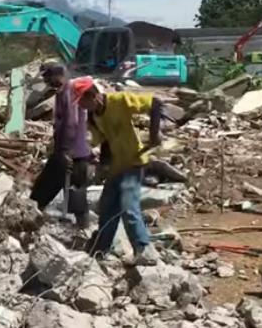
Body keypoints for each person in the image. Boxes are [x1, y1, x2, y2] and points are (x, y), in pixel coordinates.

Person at [74, 78, 163, 263]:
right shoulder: (93, 117)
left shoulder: (120, 101)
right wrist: (100, 165)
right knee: (107, 207)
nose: (82, 106)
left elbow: (155, 103)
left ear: (94, 95)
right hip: (117, 166)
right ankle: (101, 249)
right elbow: (104, 141)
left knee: (128, 205)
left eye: (83, 101)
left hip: (134, 162)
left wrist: (154, 135)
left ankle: (144, 249)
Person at [29, 63, 91, 227]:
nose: (47, 81)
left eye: (48, 77)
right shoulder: (73, 90)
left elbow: (71, 123)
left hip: (68, 152)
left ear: (58, 76)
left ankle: (31, 220)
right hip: (79, 151)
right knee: (76, 191)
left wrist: (65, 151)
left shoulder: (66, 92)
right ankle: (82, 227)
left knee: (43, 189)